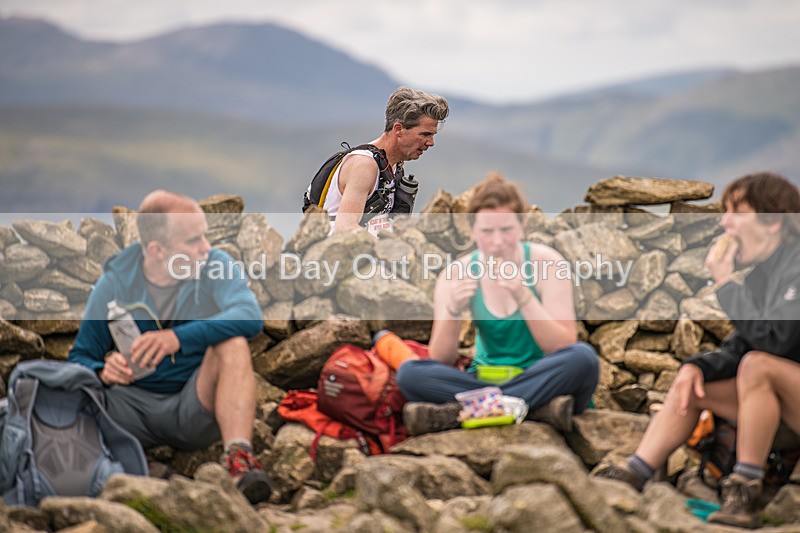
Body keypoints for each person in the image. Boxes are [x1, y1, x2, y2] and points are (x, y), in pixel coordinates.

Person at [595, 172, 800, 529]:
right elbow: (741, 345)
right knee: (695, 382)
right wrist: (696, 366)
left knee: (757, 366)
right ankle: (635, 472)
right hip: (783, 400)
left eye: (736, 212)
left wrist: (723, 282)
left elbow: (777, 340)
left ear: (772, 222)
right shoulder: (760, 276)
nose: (724, 223)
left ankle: (744, 491)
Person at [68, 190, 273, 505]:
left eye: (205, 236)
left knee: (232, 343)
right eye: (193, 241)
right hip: (129, 412)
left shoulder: (216, 264)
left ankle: (238, 462)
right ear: (157, 249)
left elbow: (249, 316)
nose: (206, 248)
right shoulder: (113, 284)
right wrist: (103, 370)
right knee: (73, 392)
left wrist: (178, 338)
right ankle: (124, 469)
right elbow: (80, 359)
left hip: (194, 406)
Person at [396, 175, 600, 434]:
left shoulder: (547, 263)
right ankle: (531, 409)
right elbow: (441, 359)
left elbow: (562, 344)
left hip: (540, 376)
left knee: (583, 359)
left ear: (522, 225)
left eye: (506, 230)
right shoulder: (457, 273)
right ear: (471, 230)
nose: (497, 241)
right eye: (486, 231)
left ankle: (470, 410)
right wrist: (453, 311)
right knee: (410, 374)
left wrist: (523, 295)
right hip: (485, 379)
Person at [303, 86, 449, 234]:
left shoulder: (392, 166)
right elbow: (345, 228)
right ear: (398, 129)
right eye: (425, 134)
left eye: (432, 135)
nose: (431, 142)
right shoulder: (365, 165)